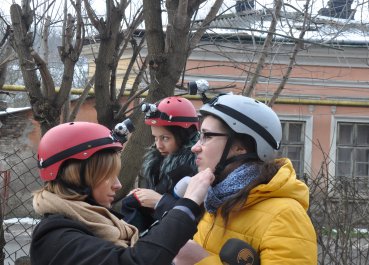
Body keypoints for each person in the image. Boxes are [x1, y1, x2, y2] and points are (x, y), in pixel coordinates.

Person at [30, 121, 214, 265]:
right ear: (77, 177)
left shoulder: (101, 221)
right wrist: (186, 205)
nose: (118, 185)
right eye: (108, 176)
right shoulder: (56, 238)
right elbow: (134, 261)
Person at [174, 94, 317, 264]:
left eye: (207, 136)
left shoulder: (285, 215)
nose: (195, 148)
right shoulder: (216, 202)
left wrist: (200, 261)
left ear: (240, 147)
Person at [121, 96, 200, 232]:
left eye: (165, 138)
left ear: (185, 134)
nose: (159, 145)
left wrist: (159, 201)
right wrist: (143, 198)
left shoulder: (199, 168)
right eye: (155, 138)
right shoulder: (156, 163)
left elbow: (200, 218)